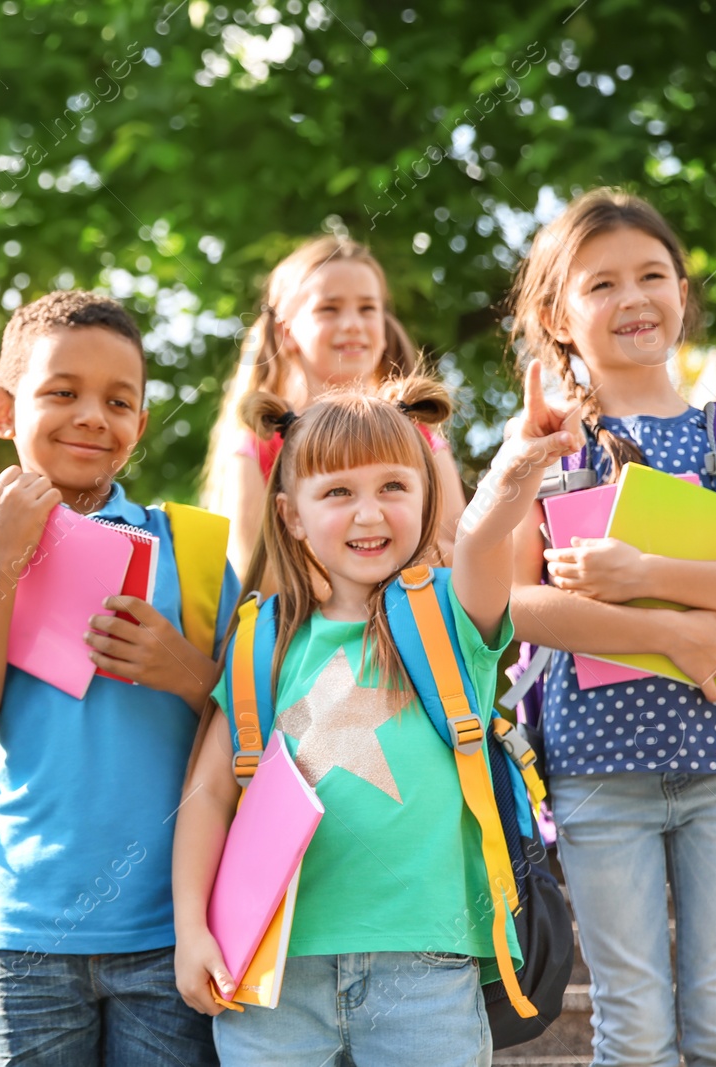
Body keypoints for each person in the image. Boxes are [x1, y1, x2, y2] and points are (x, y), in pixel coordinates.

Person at [173, 362, 580, 1066]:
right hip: (270, 971)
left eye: (394, 486)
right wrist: (189, 928)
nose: (369, 512)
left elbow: (484, 539)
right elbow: (209, 793)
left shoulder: (451, 615)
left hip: (429, 968)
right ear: (291, 515)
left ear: (426, 498)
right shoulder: (258, 639)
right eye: (337, 492)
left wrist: (519, 461)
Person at [507, 188, 716, 1067]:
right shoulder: (545, 445)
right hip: (598, 773)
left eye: (652, 275)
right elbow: (504, 604)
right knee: (633, 1028)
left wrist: (646, 579)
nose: (633, 298)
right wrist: (668, 635)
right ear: (556, 316)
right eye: (600, 284)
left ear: (684, 291)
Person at [0, 290, 239, 1066]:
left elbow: (252, 722)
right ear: (3, 408)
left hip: (171, 925)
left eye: (118, 401)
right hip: (26, 924)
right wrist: (0, 564)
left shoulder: (190, 551)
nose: (92, 415)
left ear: (141, 423)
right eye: (62, 392)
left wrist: (184, 669)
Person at [200, 235, 467, 576]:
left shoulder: (420, 436)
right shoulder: (262, 444)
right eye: (329, 308)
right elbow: (252, 577)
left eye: (368, 308)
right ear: (286, 332)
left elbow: (455, 551)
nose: (353, 323)